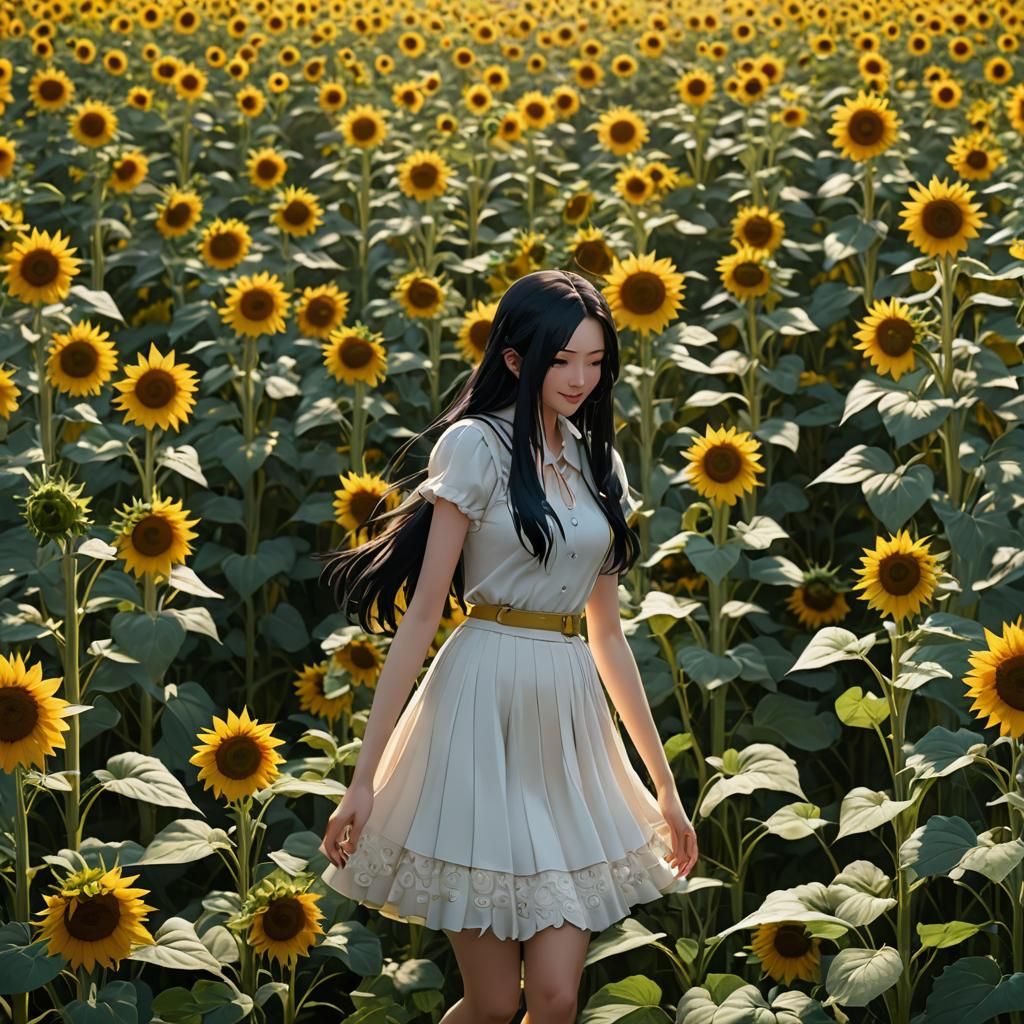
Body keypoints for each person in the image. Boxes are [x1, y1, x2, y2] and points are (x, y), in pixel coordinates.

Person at [314, 269, 698, 1023]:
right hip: (478, 704)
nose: (582, 379)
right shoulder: (475, 447)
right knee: (492, 1007)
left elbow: (608, 634)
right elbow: (424, 614)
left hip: (568, 717)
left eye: (595, 361)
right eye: (563, 361)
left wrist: (665, 786)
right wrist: (362, 780)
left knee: (555, 999)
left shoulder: (602, 465)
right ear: (517, 361)